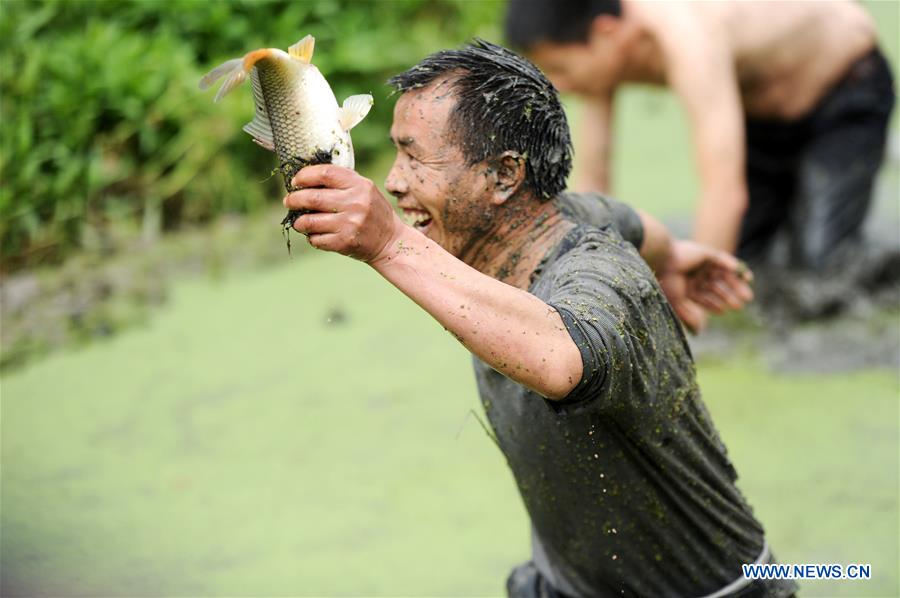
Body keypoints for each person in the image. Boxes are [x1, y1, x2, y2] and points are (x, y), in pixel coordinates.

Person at [282, 40, 794, 597]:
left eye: (415, 157)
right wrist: (671, 258)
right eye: (395, 156)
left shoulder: (604, 282)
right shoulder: (561, 215)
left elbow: (560, 358)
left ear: (505, 176)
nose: (396, 182)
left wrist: (388, 244)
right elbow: (627, 218)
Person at [505, 0, 895, 272]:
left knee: (820, 267)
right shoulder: (604, 48)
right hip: (760, 112)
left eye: (561, 67)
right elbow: (595, 181)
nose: (559, 84)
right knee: (748, 259)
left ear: (606, 32)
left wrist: (697, 320)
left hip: (844, 86)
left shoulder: (687, 35)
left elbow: (724, 193)